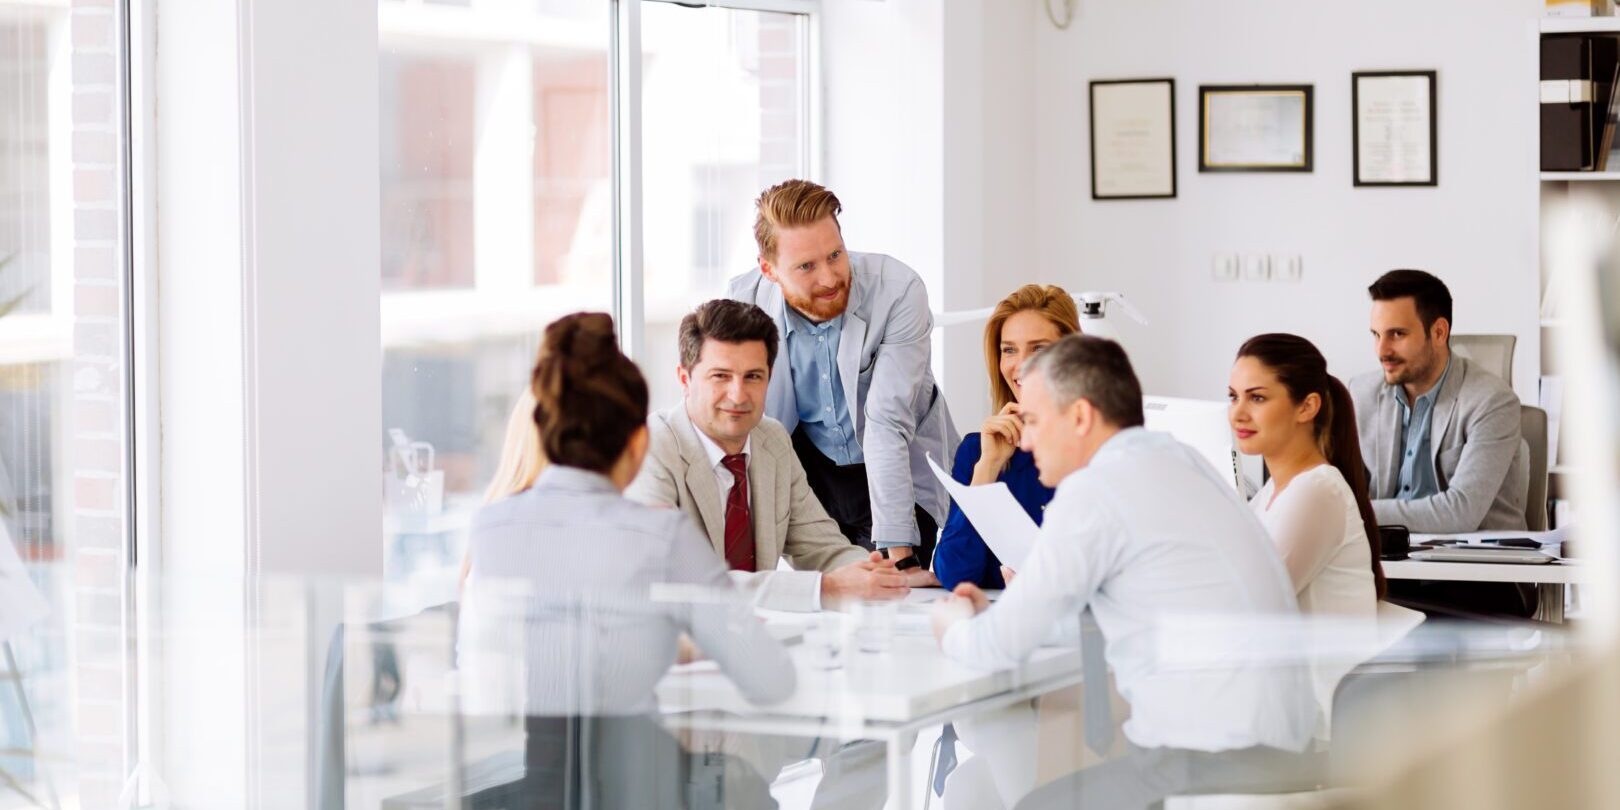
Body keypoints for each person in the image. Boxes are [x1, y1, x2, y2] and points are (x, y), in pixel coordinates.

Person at [931, 335, 1315, 810]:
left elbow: (996, 647)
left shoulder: (1096, 489)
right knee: (987, 789)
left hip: (1214, 761)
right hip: (1280, 750)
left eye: (1032, 420)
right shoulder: (1180, 459)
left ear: (1080, 417)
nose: (1026, 441)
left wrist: (953, 626)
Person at [459, 312, 794, 808]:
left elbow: (510, 667)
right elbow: (771, 681)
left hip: (536, 787)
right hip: (641, 788)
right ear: (638, 443)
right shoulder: (660, 536)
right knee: (742, 784)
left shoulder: (490, 528)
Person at [627, 299, 933, 611]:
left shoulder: (771, 439)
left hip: (756, 638)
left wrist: (877, 574)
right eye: (720, 376)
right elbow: (677, 581)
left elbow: (823, 547)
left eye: (753, 376)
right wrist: (824, 588)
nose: (738, 395)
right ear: (685, 380)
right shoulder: (651, 448)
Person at [728, 179, 957, 567]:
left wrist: (899, 557)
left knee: (889, 604)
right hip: (810, 472)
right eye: (806, 266)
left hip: (894, 466)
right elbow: (745, 423)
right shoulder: (743, 305)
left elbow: (888, 422)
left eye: (835, 254)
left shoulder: (898, 291)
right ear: (769, 270)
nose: (830, 278)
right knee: (829, 600)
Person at [1229, 332, 1385, 738]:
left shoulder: (1317, 491)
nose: (1238, 413)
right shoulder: (1270, 494)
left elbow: (1245, 608)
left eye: (1257, 398)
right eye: (1233, 397)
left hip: (1306, 735)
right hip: (1272, 720)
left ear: (1307, 406)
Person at [1349, 269, 1531, 615]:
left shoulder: (1491, 400)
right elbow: (1342, 486)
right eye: (1376, 335)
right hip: (1393, 569)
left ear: (1438, 331)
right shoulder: (1361, 393)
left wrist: (1355, 511)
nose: (1382, 350)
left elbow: (1460, 512)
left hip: (1478, 580)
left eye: (1397, 334)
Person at [934, 284, 1079, 590]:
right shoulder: (978, 450)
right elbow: (955, 576)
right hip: (995, 624)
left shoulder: (1091, 447)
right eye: (1009, 349)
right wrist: (988, 468)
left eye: (1038, 349)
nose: (1021, 365)